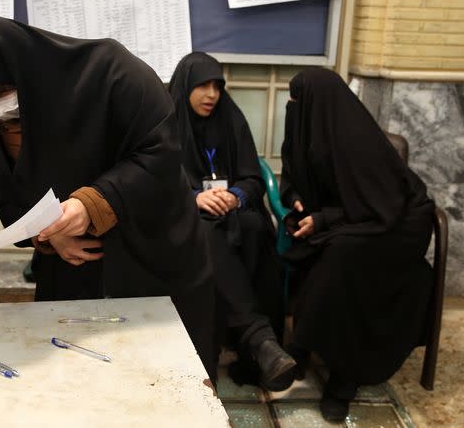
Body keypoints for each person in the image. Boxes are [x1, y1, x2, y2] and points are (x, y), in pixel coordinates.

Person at [0, 15, 219, 381]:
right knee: (78, 383)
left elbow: (161, 153)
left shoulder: (112, 71)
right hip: (73, 266)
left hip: (151, 256)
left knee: (164, 380)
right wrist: (48, 234)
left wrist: (92, 204)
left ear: (22, 65)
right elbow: (12, 192)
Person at [280, 67, 434, 421]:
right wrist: (298, 199)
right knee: (326, 250)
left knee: (343, 258)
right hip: (357, 219)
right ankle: (303, 345)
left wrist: (323, 220)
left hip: (397, 227)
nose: (292, 107)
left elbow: (380, 207)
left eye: (297, 99)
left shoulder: (356, 139)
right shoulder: (310, 134)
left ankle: (342, 376)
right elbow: (293, 176)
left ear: (318, 104)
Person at [168, 52, 294, 391]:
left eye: (217, 86)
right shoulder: (166, 124)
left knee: (254, 229)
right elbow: (158, 183)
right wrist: (195, 197)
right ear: (185, 87)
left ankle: (253, 352)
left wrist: (235, 195)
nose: (212, 95)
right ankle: (259, 339)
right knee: (207, 233)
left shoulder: (231, 119)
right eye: (203, 86)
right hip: (186, 220)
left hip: (233, 214)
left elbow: (253, 178)